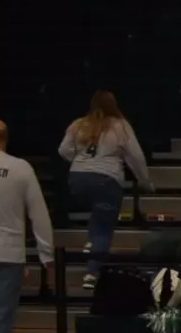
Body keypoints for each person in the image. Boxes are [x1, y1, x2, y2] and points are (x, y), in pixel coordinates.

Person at [60, 90, 156, 288]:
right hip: (106, 179)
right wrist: (145, 181)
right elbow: (135, 156)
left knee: (97, 215)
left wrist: (80, 162)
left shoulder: (79, 123)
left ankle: (91, 242)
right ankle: (92, 274)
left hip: (77, 179)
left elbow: (63, 150)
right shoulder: (121, 126)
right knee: (104, 228)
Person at [0, 119, 54, 333]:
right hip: (8, 252)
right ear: (5, 138)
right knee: (0, 318)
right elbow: (39, 215)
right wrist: (47, 255)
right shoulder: (20, 168)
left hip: (8, 254)